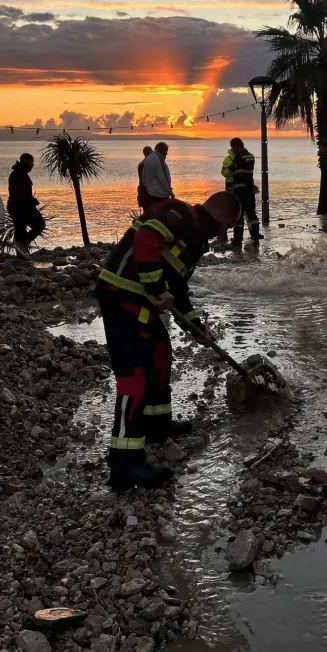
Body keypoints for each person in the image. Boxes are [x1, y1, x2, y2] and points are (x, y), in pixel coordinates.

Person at [96, 191, 241, 489]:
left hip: (143, 302)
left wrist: (196, 327)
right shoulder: (179, 215)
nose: (223, 234)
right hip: (122, 297)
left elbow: (177, 290)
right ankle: (125, 464)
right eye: (227, 226)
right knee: (134, 377)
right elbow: (145, 238)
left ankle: (157, 426)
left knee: (160, 355)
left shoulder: (195, 239)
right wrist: (156, 287)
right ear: (220, 217)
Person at [221, 137, 261, 247]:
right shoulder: (250, 156)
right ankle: (255, 238)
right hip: (249, 190)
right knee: (252, 215)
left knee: (239, 216)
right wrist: (251, 185)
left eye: (232, 147)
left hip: (239, 190)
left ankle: (237, 240)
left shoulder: (237, 158)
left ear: (234, 146)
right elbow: (247, 174)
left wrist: (233, 167)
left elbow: (238, 174)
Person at [7, 153, 46, 259]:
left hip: (14, 207)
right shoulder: (21, 175)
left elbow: (21, 194)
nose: (33, 164)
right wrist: (34, 211)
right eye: (32, 162)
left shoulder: (17, 173)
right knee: (40, 224)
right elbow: (23, 197)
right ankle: (22, 245)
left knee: (20, 230)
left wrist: (33, 200)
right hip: (20, 209)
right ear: (26, 162)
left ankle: (20, 257)